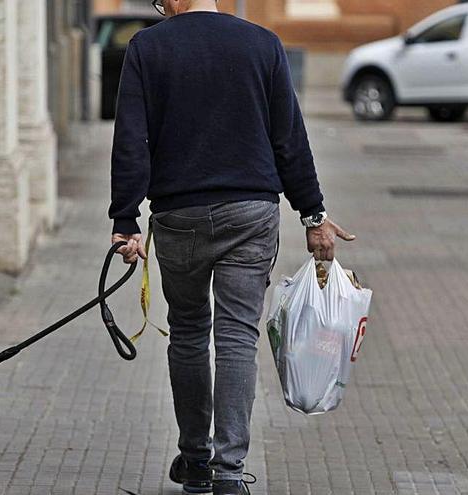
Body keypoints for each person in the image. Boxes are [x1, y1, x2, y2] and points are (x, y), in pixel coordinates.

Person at [108, 1, 355, 494]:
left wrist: (125, 220)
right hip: (250, 213)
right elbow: (289, 138)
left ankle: (196, 460)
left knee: (190, 334)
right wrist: (313, 215)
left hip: (178, 217)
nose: (161, 9)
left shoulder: (147, 48)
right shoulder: (261, 45)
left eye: (160, 2)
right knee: (238, 338)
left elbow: (132, 138)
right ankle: (228, 471)